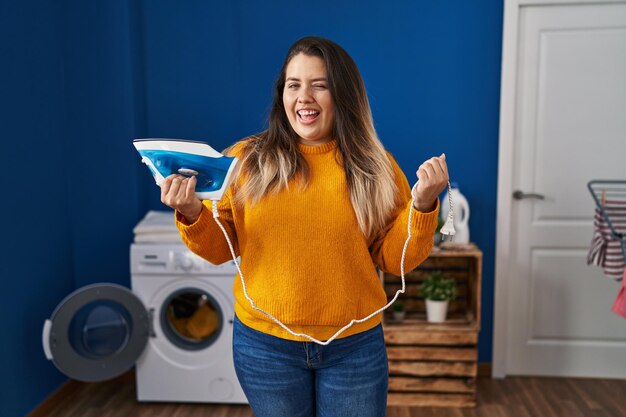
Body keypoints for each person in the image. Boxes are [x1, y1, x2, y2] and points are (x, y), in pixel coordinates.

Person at [160, 36, 449, 417]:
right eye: (294, 85)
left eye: (320, 85)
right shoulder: (246, 160)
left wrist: (424, 204)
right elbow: (219, 250)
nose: (304, 97)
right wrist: (193, 211)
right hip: (266, 347)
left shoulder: (375, 166)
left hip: (353, 348)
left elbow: (394, 260)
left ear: (343, 94)